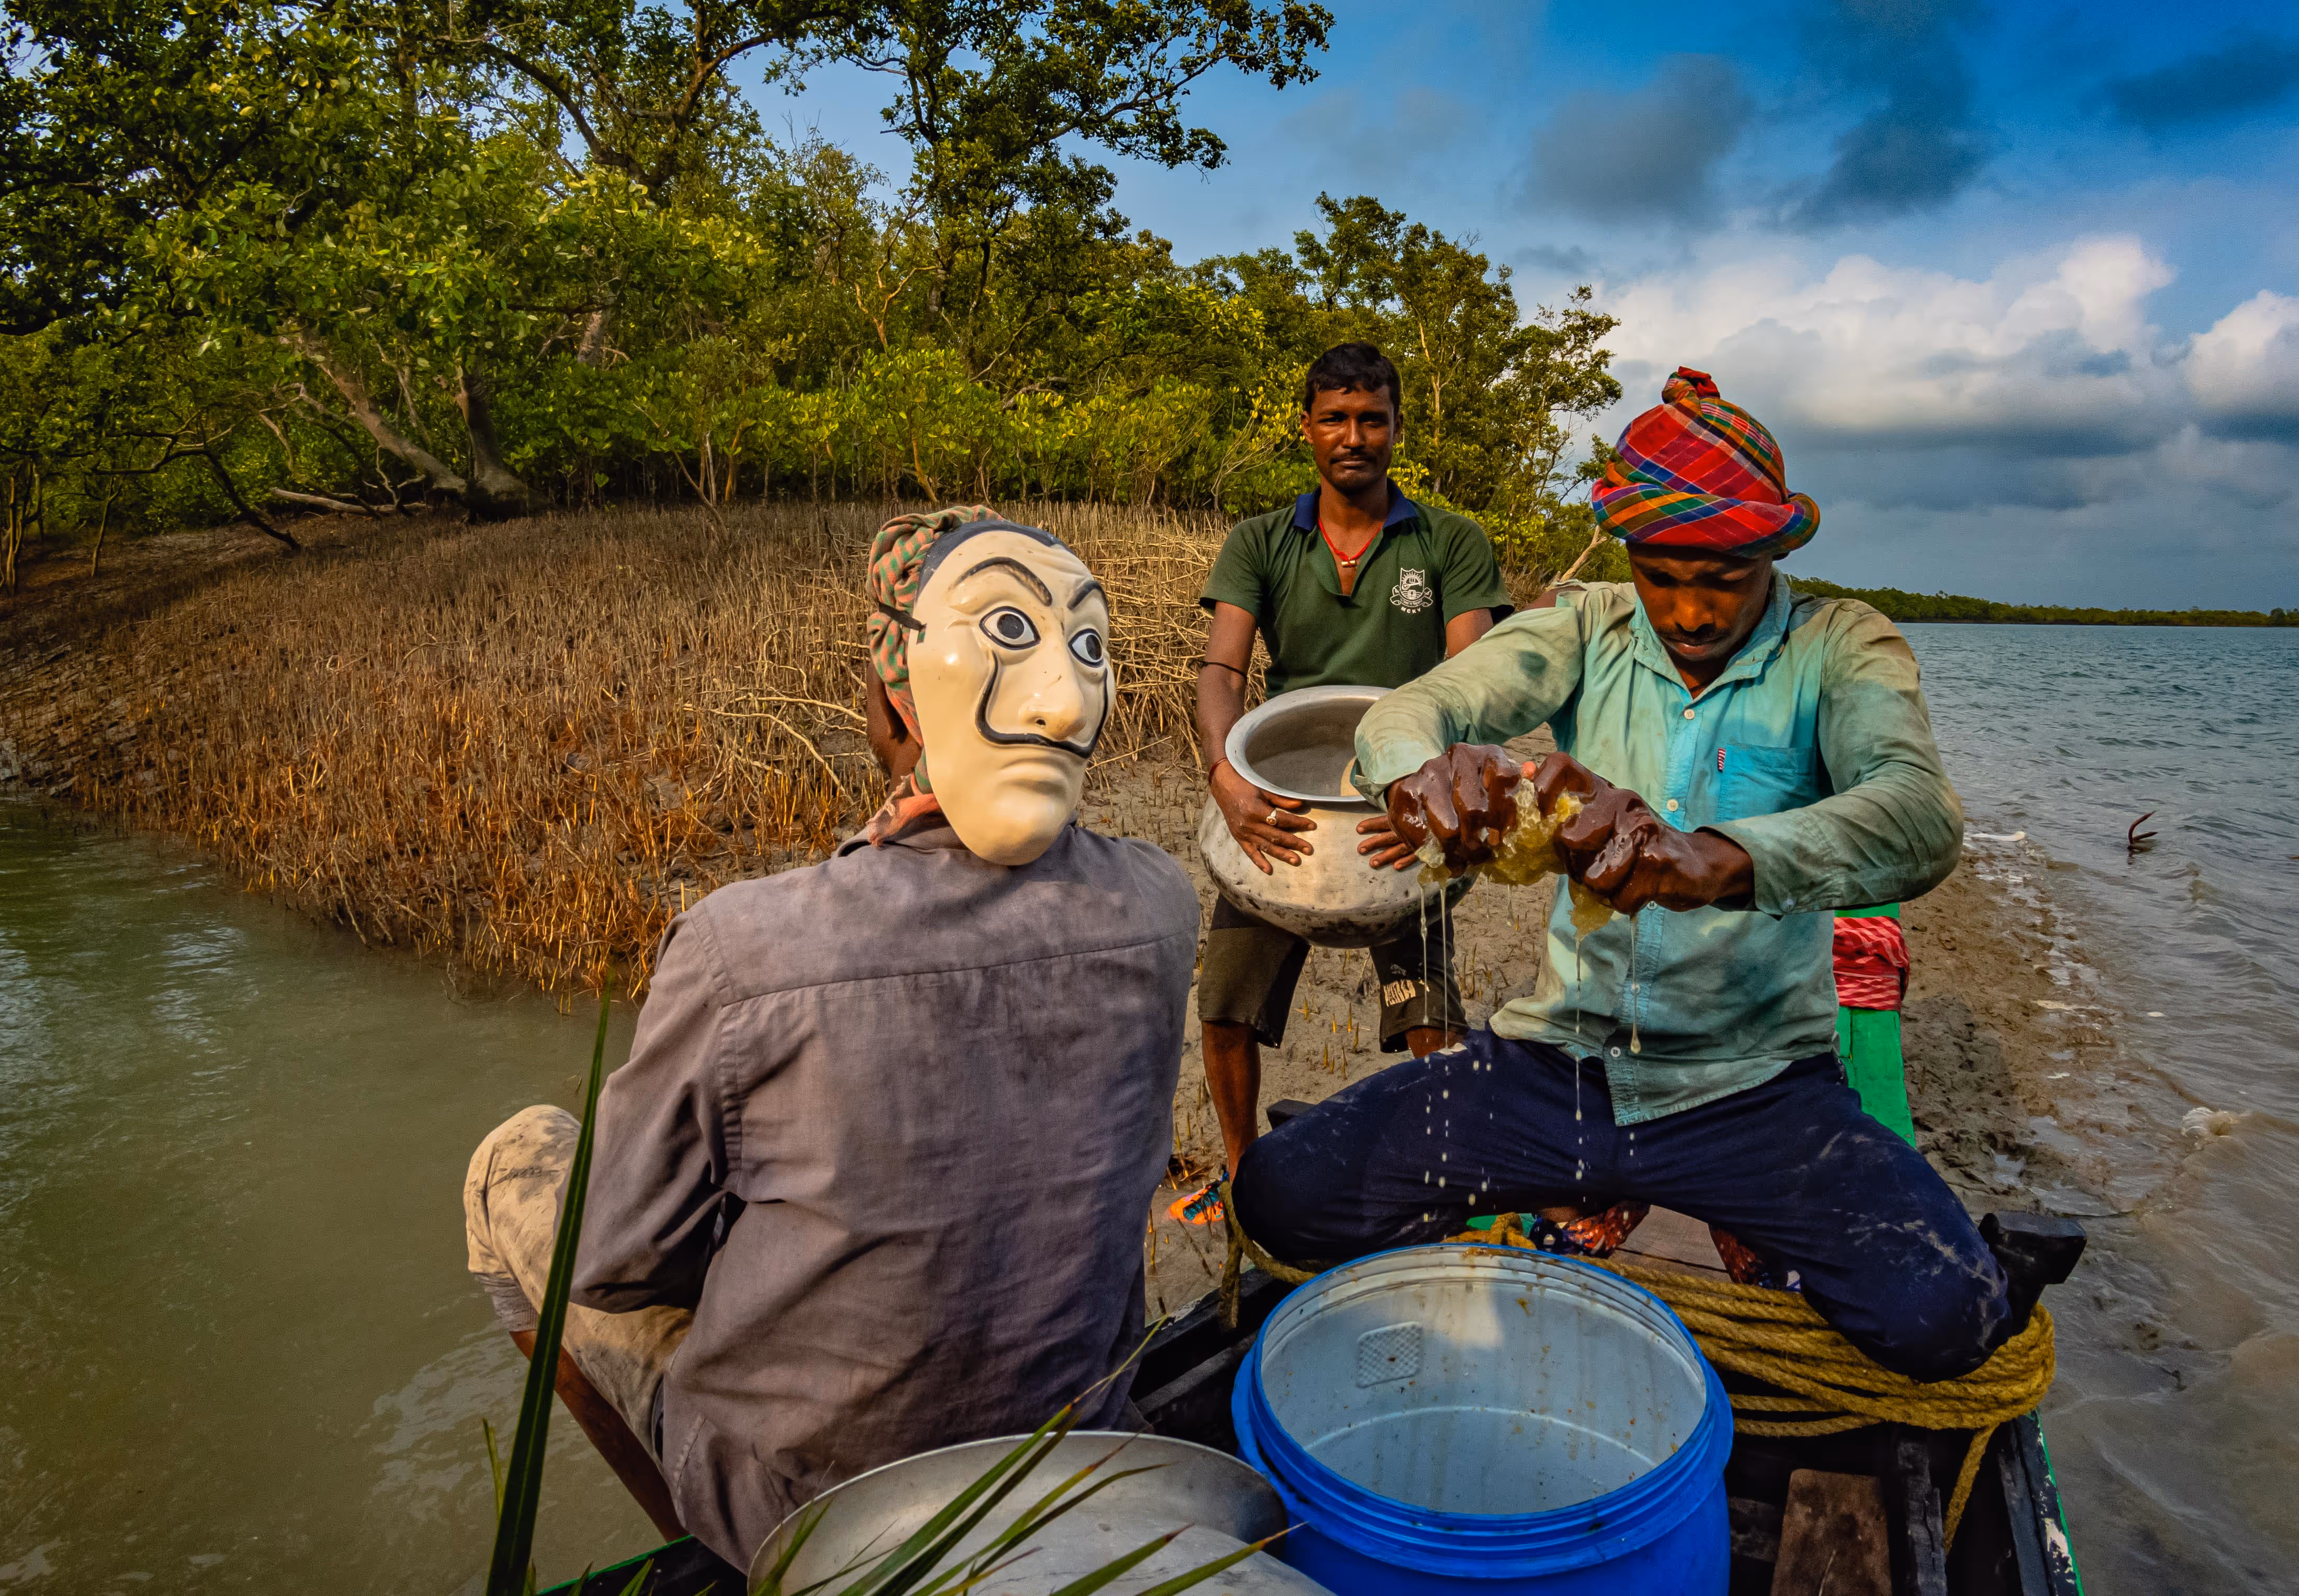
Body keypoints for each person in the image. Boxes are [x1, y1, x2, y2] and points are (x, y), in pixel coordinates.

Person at [1231, 370, 2014, 1383]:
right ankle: (1584, 1185)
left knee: (1947, 1314)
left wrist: (1708, 860)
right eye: (1662, 574)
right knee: (1282, 1197)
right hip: (1560, 1066)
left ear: (1773, 553)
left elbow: (1918, 815)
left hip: (1755, 1088)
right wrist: (1423, 775)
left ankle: (1660, 1200)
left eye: (1723, 578)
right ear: (1630, 558)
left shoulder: (1840, 644)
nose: (1688, 611)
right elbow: (1407, 711)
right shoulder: (1589, 626)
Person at [461, 509, 1201, 1569]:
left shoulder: (746, 946)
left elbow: (618, 1261)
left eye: (1087, 645)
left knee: (513, 1160)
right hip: (1070, 1446)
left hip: (824, 1500)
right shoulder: (1161, 902)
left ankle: (717, 1534)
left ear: (890, 693)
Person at [1177, 341, 1512, 1221]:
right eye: (1335, 419)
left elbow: (1471, 680)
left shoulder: (1449, 540)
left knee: (1431, 1019)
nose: (1353, 436)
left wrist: (1431, 802)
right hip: (1283, 801)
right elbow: (1222, 671)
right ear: (1307, 428)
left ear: (1398, 428)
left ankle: (1442, 1176)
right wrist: (1223, 776)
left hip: (1402, 808)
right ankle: (1245, 1172)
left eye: (1371, 419)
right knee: (1224, 1008)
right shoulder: (1260, 540)